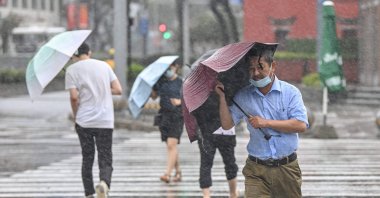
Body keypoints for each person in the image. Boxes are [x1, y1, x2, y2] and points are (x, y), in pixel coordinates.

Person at [215, 44, 308, 198]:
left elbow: (300, 125)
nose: (256, 73)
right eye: (251, 69)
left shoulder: (290, 93)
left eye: (260, 67)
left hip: (287, 169)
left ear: (273, 66)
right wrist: (222, 98)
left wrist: (266, 123)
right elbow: (227, 124)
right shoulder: (243, 96)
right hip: (256, 169)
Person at [65, 42, 122, 198]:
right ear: (89, 52)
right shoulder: (104, 66)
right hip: (105, 120)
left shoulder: (71, 70)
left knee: (87, 157)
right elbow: (118, 89)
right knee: (105, 156)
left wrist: (76, 116)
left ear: (74, 56)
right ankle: (104, 183)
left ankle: (89, 193)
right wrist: (101, 88)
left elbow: (74, 97)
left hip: (84, 121)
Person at [192, 91, 239, 198]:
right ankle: (233, 193)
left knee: (206, 164)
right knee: (230, 163)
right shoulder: (229, 85)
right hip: (225, 131)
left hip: (208, 132)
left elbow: (194, 111)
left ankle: (206, 195)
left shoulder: (199, 89)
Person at [151, 61, 184, 183]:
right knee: (171, 147)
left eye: (171, 67)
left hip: (177, 116)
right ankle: (178, 171)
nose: (168, 70)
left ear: (176, 67)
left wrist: (180, 102)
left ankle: (168, 174)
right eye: (167, 68)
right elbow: (154, 97)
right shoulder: (161, 81)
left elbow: (189, 98)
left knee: (171, 145)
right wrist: (152, 86)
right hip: (164, 116)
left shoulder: (182, 82)